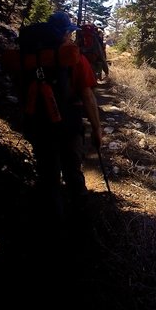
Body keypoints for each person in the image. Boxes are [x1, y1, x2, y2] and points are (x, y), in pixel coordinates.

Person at [24, 11, 103, 222]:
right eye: (69, 32)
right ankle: (81, 223)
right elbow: (87, 96)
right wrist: (96, 129)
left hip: (38, 122)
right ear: (65, 33)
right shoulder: (73, 57)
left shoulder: (30, 55)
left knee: (48, 176)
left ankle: (51, 225)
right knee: (72, 172)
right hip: (68, 124)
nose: (71, 37)